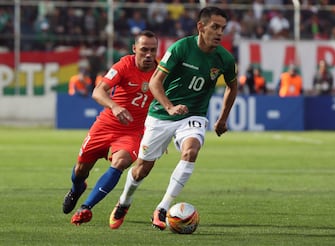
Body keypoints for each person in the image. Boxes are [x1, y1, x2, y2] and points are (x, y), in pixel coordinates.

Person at [109, 6, 238, 231]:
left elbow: (232, 87)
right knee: (142, 169)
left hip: (194, 114)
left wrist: (222, 119)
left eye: (223, 29)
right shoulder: (181, 48)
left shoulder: (224, 58)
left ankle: (162, 207)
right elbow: (155, 83)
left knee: (191, 151)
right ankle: (124, 202)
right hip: (161, 113)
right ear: (201, 27)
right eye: (215, 27)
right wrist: (169, 107)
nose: (219, 33)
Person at [62, 30, 158, 226]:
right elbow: (98, 92)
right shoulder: (124, 64)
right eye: (144, 50)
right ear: (134, 49)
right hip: (106, 124)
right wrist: (114, 106)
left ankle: (86, 208)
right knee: (81, 169)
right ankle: (77, 188)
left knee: (121, 162)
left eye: (153, 50)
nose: (149, 54)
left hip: (133, 131)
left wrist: (161, 134)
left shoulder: (161, 71)